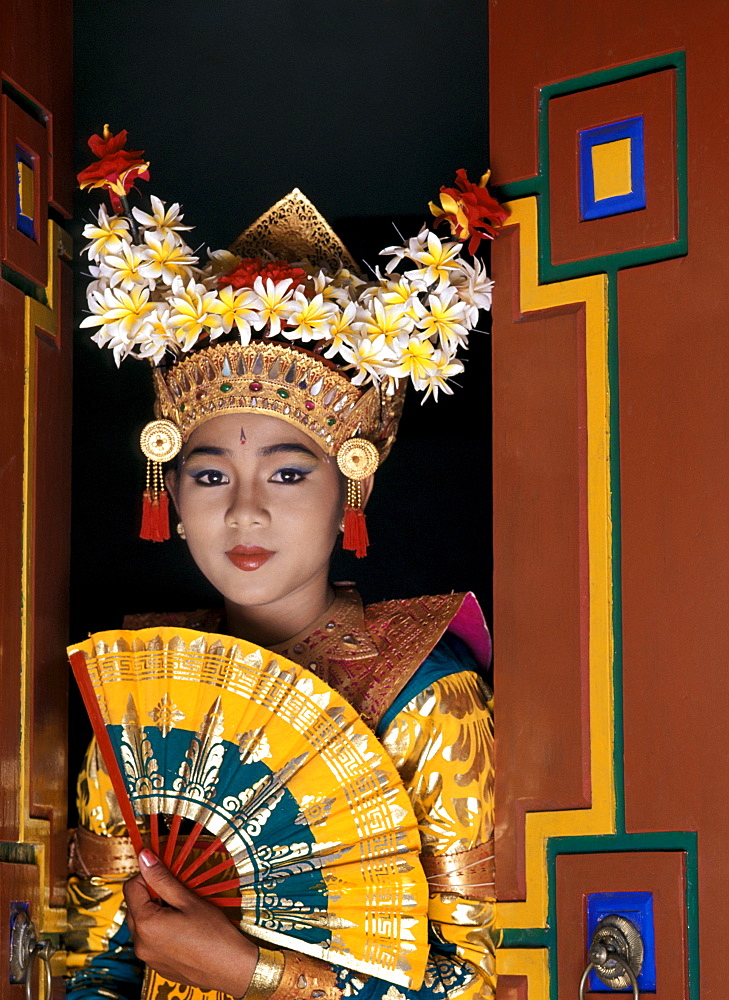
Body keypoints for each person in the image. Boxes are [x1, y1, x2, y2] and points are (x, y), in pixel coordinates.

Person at [66, 131, 500, 1000]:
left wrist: (255, 973)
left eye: (289, 472)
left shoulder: (426, 694)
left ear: (351, 491)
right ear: (173, 500)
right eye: (211, 474)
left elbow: (475, 981)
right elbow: (93, 955)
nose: (246, 510)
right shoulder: (141, 688)